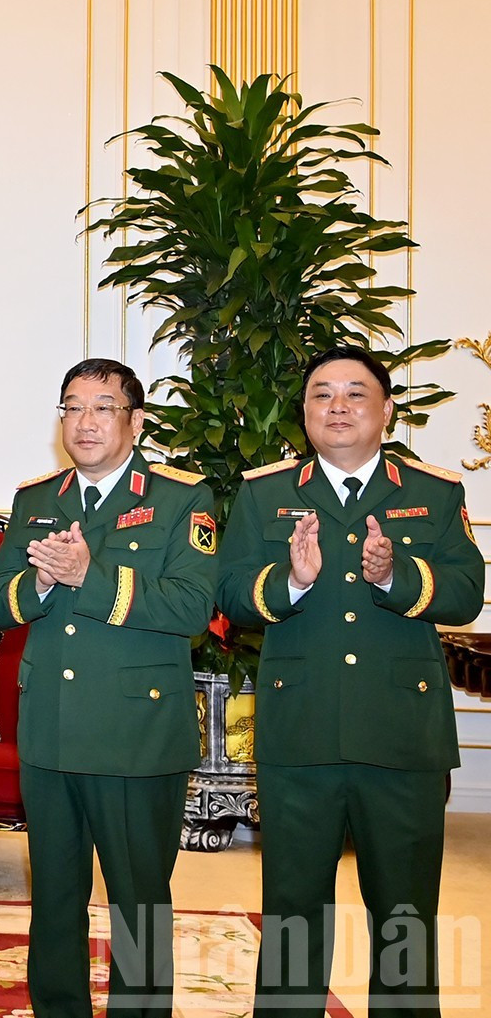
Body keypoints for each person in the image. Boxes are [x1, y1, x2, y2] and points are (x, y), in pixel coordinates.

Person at [219, 344, 483, 1016]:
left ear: (387, 410)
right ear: (303, 412)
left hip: (402, 736)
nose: (338, 405)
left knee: (403, 912)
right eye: (322, 394)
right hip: (299, 733)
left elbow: (465, 590)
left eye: (355, 393)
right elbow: (231, 595)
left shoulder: (433, 490)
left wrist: (397, 576)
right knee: (292, 909)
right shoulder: (265, 492)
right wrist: (292, 581)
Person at [0, 359, 217, 1018]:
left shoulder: (181, 498)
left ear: (136, 420)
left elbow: (192, 607)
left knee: (137, 901)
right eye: (72, 407)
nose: (84, 422)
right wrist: (35, 585)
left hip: (136, 736)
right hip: (51, 728)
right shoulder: (36, 500)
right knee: (54, 896)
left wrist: (90, 575)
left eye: (102, 407)